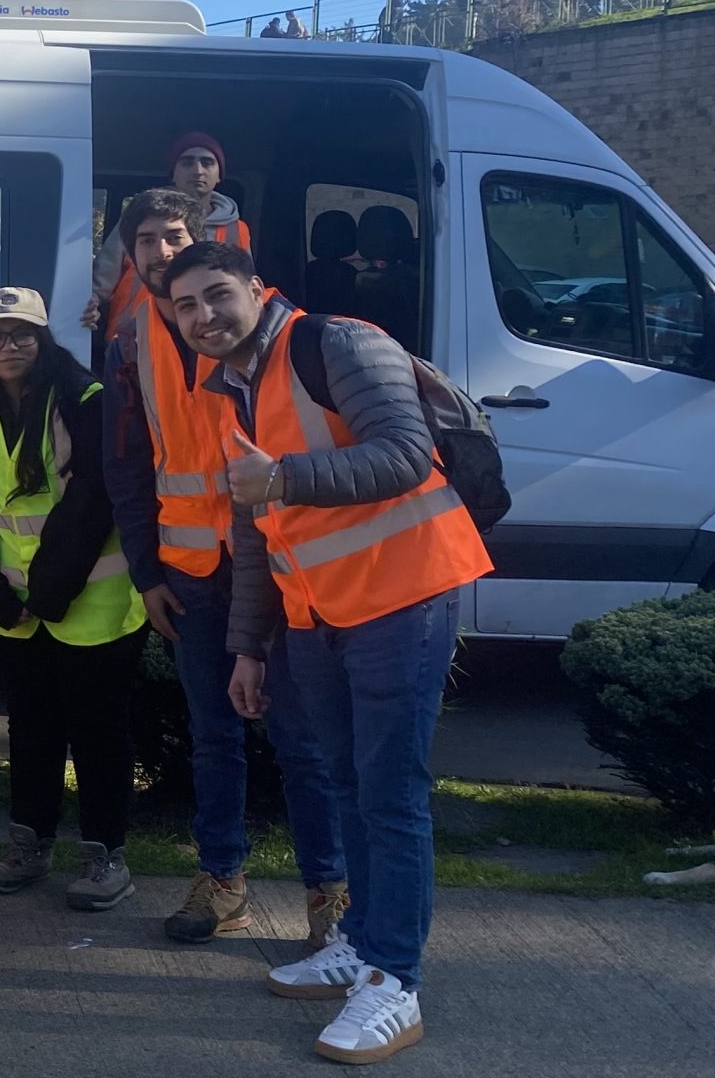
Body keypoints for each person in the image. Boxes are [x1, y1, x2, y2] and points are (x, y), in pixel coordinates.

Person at [168, 241, 492, 1066]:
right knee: (346, 781)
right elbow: (250, 527)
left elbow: (403, 453)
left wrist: (281, 478)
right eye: (186, 307)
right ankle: (360, 939)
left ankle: (395, 981)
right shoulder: (226, 390)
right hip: (316, 613)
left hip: (404, 595)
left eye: (217, 295)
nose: (204, 316)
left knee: (390, 793)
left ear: (255, 288)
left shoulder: (336, 343)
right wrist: (247, 647)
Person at [99, 189, 345, 948]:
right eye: (144, 240)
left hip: (275, 559)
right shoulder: (129, 340)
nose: (160, 251)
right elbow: (127, 466)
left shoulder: (267, 325)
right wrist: (145, 572)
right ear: (130, 256)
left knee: (303, 738)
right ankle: (223, 883)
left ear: (202, 237)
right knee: (215, 735)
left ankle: (329, 894)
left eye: (173, 235)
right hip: (189, 569)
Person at [0, 287, 145, 906]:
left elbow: (93, 502)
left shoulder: (85, 399)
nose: (8, 346)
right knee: (31, 728)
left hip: (93, 598)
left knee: (98, 731)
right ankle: (28, 844)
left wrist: (49, 593)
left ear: (43, 339)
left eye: (21, 334)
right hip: (17, 603)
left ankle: (104, 857)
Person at [84, 131, 251, 337]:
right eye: (187, 163)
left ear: (219, 175)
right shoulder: (140, 216)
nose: (197, 170)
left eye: (207, 163)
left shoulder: (237, 229)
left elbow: (244, 287)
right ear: (173, 173)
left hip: (208, 336)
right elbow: (102, 279)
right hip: (131, 337)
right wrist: (89, 305)